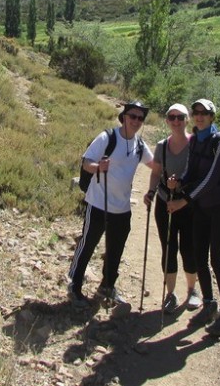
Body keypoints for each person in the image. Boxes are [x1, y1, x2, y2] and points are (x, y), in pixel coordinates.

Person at [68, 101, 155, 309]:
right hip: (98, 203)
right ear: (124, 116)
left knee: (115, 249)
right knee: (88, 243)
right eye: (132, 116)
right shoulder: (107, 137)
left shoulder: (140, 145)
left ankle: (107, 286)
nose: (135, 121)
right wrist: (99, 167)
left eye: (140, 118)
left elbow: (155, 165)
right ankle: (75, 284)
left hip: (122, 208)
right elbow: (86, 162)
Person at [167, 98, 220, 337]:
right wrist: (180, 181)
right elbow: (191, 170)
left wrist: (183, 200)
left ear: (212, 117)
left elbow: (211, 179)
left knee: (216, 259)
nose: (199, 116)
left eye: (204, 113)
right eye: (196, 112)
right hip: (202, 207)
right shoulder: (196, 140)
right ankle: (209, 305)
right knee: (199, 256)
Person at [144, 103, 200, 314]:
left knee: (188, 247)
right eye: (172, 117)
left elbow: (199, 175)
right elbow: (155, 173)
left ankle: (193, 290)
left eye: (180, 117)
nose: (176, 121)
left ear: (187, 120)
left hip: (188, 204)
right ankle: (170, 294)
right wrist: (150, 192)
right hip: (165, 202)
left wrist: (181, 185)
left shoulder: (195, 145)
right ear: (167, 120)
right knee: (168, 248)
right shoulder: (161, 146)